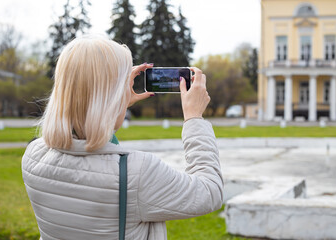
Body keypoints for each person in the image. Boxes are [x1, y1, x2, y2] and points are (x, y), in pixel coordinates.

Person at [22, 35, 223, 240]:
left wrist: (112, 108)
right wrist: (194, 118)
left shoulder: (33, 156)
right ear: (110, 98)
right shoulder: (137, 171)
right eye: (120, 87)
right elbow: (209, 192)